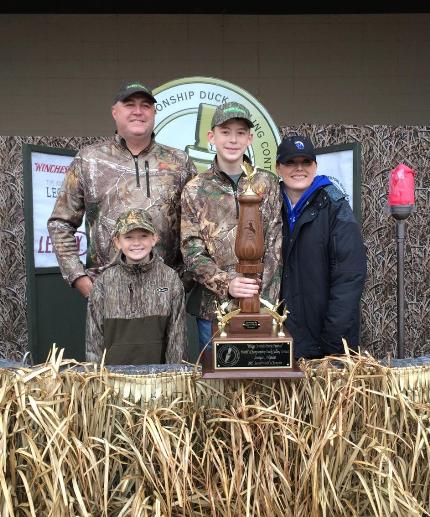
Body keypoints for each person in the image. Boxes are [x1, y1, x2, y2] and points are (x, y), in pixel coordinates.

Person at [48, 80, 197, 298]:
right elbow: (61, 223)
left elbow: (197, 227)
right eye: (129, 105)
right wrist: (79, 278)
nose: (138, 111)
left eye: (145, 105)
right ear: (115, 112)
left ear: (154, 113)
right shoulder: (89, 160)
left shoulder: (179, 163)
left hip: (166, 292)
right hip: (108, 292)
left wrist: (183, 282)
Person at [181, 101, 283, 349]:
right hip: (214, 311)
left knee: (260, 380)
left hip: (262, 307)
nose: (232, 140)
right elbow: (191, 251)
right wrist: (228, 284)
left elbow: (275, 245)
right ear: (211, 137)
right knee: (218, 381)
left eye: (240, 133)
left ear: (249, 139)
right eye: (225, 132)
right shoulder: (195, 189)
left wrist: (260, 298)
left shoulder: (266, 183)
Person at [276, 134, 367, 359]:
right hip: (279, 338)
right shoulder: (269, 206)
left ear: (315, 166)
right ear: (278, 167)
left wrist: (333, 338)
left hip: (325, 341)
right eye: (290, 162)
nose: (299, 169)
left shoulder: (336, 207)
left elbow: (349, 277)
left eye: (306, 162)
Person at [85, 208, 187, 364]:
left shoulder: (170, 279)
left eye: (144, 236)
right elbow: (94, 340)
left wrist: (174, 377)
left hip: (159, 379)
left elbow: (177, 339)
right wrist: (96, 378)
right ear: (117, 242)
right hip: (115, 380)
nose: (137, 243)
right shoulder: (104, 282)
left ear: (154, 239)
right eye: (129, 237)